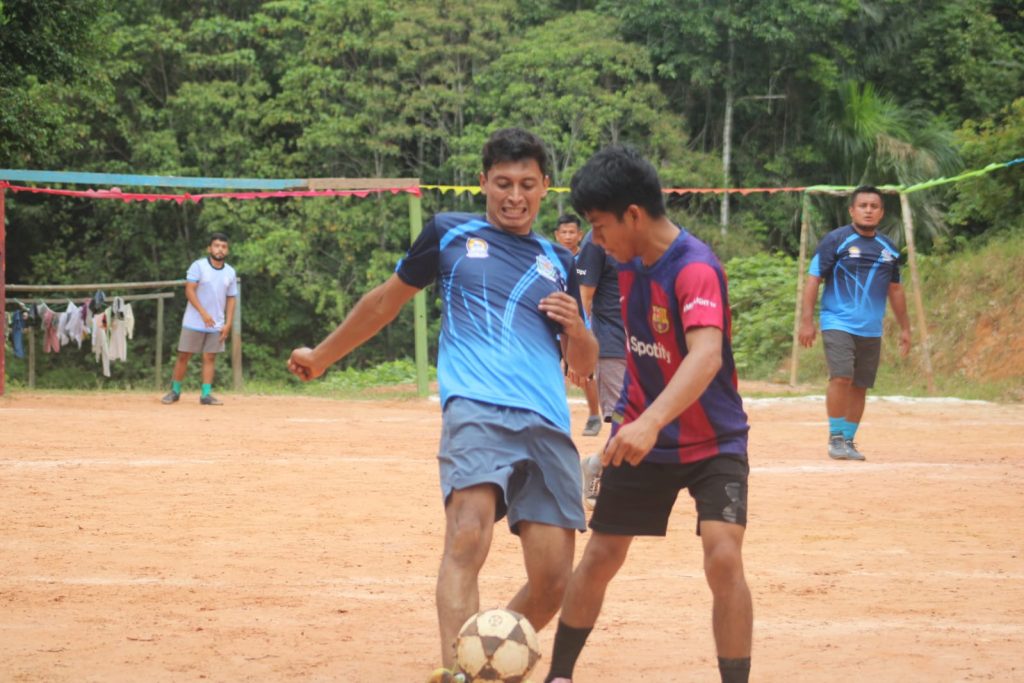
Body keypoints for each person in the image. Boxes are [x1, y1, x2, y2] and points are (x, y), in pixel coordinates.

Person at [285, 128, 598, 680]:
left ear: (546, 187)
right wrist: (324, 355)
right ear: (482, 182)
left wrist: (577, 327)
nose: (514, 196)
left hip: (548, 423)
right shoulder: (450, 233)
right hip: (475, 409)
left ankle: (483, 659)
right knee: (467, 533)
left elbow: (586, 362)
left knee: (552, 582)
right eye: (502, 183)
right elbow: (384, 302)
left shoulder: (561, 260)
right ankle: (458, 671)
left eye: (527, 184)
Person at [544, 146, 753, 683]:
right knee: (601, 555)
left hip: (712, 441)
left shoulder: (696, 268)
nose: (594, 238)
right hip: (641, 433)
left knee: (723, 555)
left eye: (599, 225)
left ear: (633, 215)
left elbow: (706, 356)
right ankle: (559, 675)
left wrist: (650, 421)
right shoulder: (622, 258)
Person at [798, 185, 911, 461]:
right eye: (863, 206)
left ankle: (848, 440)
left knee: (860, 384)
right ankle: (835, 437)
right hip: (837, 321)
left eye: (874, 206)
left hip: (871, 328)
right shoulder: (835, 240)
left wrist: (906, 328)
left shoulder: (888, 249)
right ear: (852, 210)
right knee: (842, 376)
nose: (868, 210)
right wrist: (806, 321)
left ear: (881, 213)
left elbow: (895, 290)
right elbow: (814, 279)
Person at [573, 222, 628, 506]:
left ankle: (597, 463)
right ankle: (602, 470)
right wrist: (578, 348)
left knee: (650, 416)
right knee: (623, 417)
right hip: (612, 344)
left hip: (646, 344)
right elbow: (583, 298)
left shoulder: (644, 235)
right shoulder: (596, 241)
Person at [161, 232, 237, 406]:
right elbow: (189, 290)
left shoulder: (230, 272)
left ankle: (206, 394)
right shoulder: (199, 266)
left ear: (227, 250)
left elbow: (232, 298)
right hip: (194, 321)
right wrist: (202, 312)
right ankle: (175, 391)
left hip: (216, 323)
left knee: (210, 357)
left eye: (224, 247)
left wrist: (228, 323)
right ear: (209, 248)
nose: (220, 249)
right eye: (217, 246)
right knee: (184, 355)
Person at [553, 212, 603, 437]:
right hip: (555, 323)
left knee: (585, 373)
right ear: (556, 235)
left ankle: (594, 416)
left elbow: (588, 296)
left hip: (581, 323)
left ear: (580, 235)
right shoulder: (549, 257)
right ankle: (555, 418)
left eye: (572, 231)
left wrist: (585, 326)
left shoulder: (586, 259)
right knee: (555, 370)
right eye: (563, 232)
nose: (567, 236)